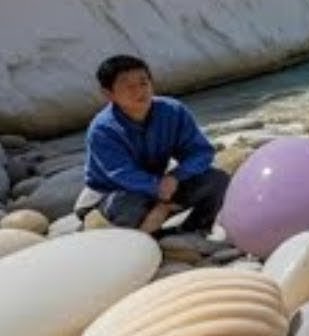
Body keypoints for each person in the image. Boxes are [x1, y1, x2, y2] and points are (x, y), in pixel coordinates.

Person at [76, 55, 229, 235]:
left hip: (160, 185)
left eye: (143, 82)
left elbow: (201, 152)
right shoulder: (103, 129)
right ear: (109, 94)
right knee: (130, 203)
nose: (140, 91)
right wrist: (158, 189)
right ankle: (143, 237)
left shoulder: (172, 111)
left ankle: (193, 231)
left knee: (217, 179)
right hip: (111, 193)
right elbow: (121, 174)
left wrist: (175, 177)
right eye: (129, 87)